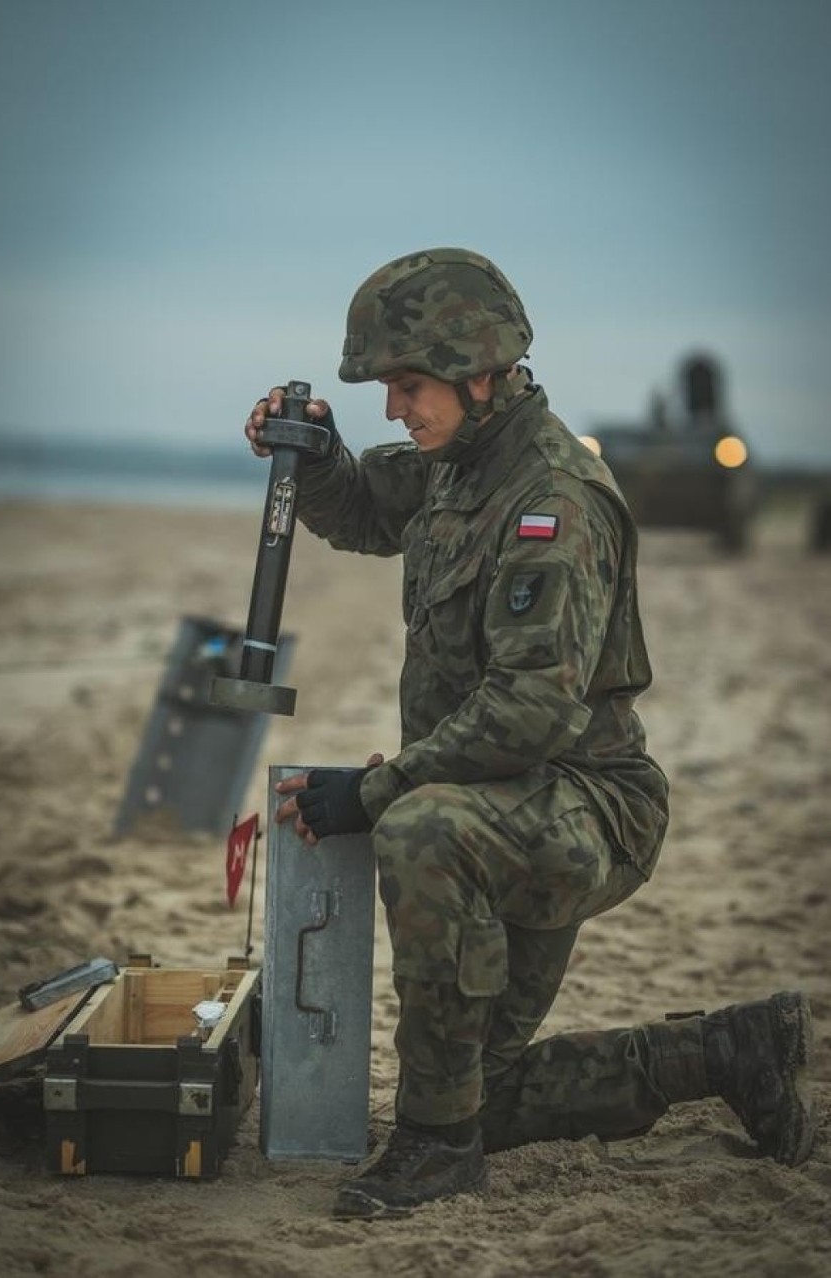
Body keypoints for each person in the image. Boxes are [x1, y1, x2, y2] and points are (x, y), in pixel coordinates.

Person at [245, 247, 815, 1220]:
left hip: (585, 804)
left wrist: (380, 793)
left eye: (408, 385)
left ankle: (431, 1156)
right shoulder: (459, 464)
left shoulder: (552, 499)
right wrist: (313, 450)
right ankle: (723, 1051)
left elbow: (530, 713)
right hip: (502, 798)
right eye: (385, 388)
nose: (396, 408)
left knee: (421, 829)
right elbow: (359, 508)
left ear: (479, 372)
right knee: (487, 1094)